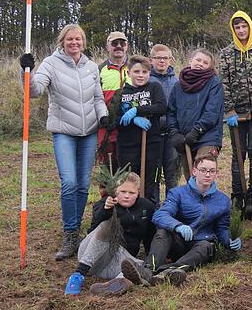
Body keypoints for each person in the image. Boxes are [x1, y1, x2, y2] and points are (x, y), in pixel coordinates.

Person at [20, 24, 108, 260]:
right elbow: (36, 90)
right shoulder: (51, 63)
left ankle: (76, 230)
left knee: (82, 184)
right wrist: (26, 71)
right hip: (64, 132)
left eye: (78, 39)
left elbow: (98, 97)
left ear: (83, 42)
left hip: (89, 131)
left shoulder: (90, 66)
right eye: (69, 39)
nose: (74, 43)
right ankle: (69, 234)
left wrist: (103, 116)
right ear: (62, 41)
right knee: (69, 182)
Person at [121, 152, 241, 286]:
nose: (207, 174)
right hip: (178, 241)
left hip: (201, 245)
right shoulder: (178, 193)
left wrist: (229, 241)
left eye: (211, 171)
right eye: (203, 170)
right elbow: (160, 215)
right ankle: (147, 271)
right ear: (194, 171)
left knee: (206, 246)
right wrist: (178, 226)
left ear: (216, 173)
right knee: (162, 232)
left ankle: (169, 272)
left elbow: (222, 227)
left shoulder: (223, 200)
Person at [63, 173, 155, 296]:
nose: (127, 196)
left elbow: (150, 235)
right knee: (107, 225)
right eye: (123, 191)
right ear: (115, 190)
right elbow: (94, 230)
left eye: (131, 193)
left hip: (118, 260)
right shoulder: (104, 203)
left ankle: (118, 283)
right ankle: (78, 275)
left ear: (138, 192)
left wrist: (150, 255)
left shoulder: (147, 207)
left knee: (140, 266)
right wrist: (106, 210)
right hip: (92, 258)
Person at [219, 11, 252, 217]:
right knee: (237, 155)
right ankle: (237, 194)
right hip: (237, 114)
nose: (241, 31)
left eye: (244, 27)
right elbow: (225, 83)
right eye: (237, 27)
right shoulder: (226, 53)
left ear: (250, 27)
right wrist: (230, 109)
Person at [111, 55, 167, 205]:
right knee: (129, 181)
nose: (141, 75)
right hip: (127, 146)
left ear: (150, 73)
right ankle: (129, 214)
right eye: (136, 72)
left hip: (151, 143)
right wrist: (132, 120)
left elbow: (161, 107)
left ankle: (148, 212)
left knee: (149, 182)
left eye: (144, 72)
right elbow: (113, 121)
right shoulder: (120, 94)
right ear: (129, 73)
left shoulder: (154, 88)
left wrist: (137, 110)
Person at [167, 49, 224, 172]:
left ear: (210, 67)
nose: (200, 64)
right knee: (191, 179)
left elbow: (212, 112)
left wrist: (196, 131)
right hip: (185, 139)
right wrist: (174, 133)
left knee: (203, 172)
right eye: (198, 60)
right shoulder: (178, 85)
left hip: (207, 136)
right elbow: (171, 111)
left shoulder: (214, 83)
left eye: (205, 62)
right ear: (190, 61)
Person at [149, 44, 180, 194]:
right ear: (151, 60)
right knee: (154, 173)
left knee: (171, 173)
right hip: (152, 133)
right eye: (158, 58)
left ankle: (171, 207)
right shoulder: (146, 79)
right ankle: (154, 208)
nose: (162, 61)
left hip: (171, 133)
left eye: (165, 58)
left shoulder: (177, 81)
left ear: (170, 60)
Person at [97, 31, 130, 170]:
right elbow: (94, 98)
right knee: (108, 167)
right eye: (114, 43)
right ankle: (109, 193)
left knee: (129, 167)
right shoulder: (98, 70)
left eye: (122, 43)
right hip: (107, 127)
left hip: (130, 126)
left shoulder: (136, 68)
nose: (118, 46)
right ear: (107, 47)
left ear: (126, 46)